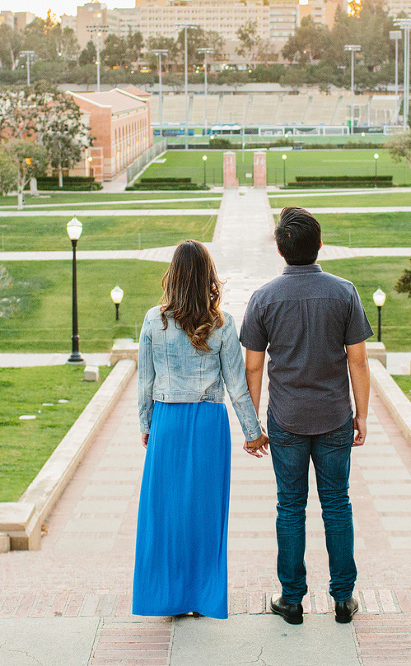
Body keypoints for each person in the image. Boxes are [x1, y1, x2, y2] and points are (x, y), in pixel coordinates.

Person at [241, 206, 373, 625]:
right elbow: (358, 362)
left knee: (290, 507)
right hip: (335, 416)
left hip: (287, 419)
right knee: (337, 506)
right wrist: (363, 416)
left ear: (281, 250)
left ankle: (292, 599)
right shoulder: (344, 292)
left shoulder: (263, 298)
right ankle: (342, 598)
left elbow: (253, 367)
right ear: (319, 245)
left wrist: (252, 424)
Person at [133, 240, 269, 619]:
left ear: (173, 276)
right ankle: (201, 598)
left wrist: (147, 425)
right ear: (208, 278)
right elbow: (237, 385)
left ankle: (167, 596)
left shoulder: (152, 321)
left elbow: (144, 382)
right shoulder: (221, 323)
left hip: (168, 422)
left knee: (165, 514)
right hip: (210, 424)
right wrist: (253, 432)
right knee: (206, 514)